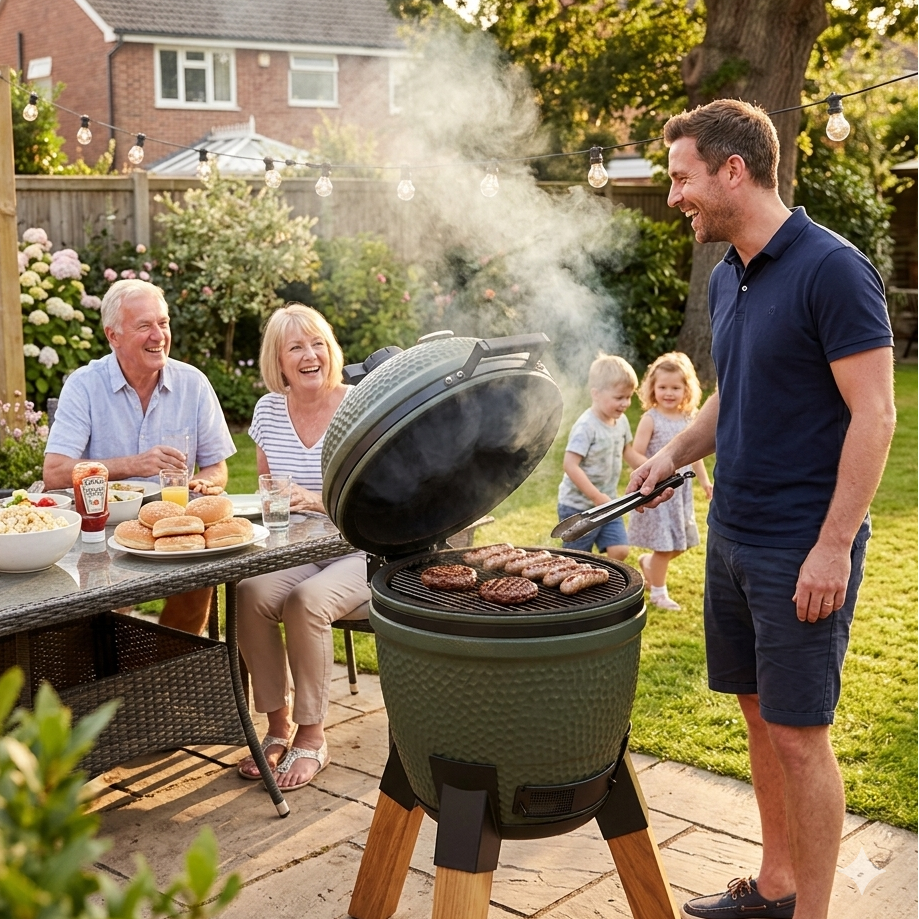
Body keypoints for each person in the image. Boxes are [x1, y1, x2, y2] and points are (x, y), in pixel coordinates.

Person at [627, 99, 895, 919]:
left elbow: (874, 414)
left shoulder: (832, 269)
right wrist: (671, 454)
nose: (675, 196)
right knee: (757, 715)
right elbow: (734, 396)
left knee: (799, 736)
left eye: (681, 177)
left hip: (799, 544)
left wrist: (832, 546)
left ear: (731, 170)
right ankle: (775, 888)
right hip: (733, 534)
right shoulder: (728, 275)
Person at [43, 279, 236, 635]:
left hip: (173, 521)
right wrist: (134, 464)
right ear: (113, 335)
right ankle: (119, 673)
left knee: (200, 582)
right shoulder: (84, 385)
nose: (158, 335)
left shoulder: (192, 383)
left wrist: (205, 482)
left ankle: (171, 664)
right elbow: (55, 472)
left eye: (162, 323)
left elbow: (217, 467)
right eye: (144, 325)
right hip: (104, 530)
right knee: (105, 607)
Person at [235, 304, 370, 790]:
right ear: (279, 360)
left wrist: (315, 500)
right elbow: (267, 489)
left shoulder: (359, 404)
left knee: (305, 602)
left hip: (362, 551)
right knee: (249, 593)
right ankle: (277, 725)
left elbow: (380, 501)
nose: (309, 354)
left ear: (330, 350)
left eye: (317, 343)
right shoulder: (268, 410)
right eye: (295, 347)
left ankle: (312, 737)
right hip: (300, 551)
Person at [629, 352, 713, 610]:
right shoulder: (650, 418)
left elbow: (696, 457)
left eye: (675, 387)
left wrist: (705, 482)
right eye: (662, 387)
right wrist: (650, 474)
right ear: (652, 388)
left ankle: (648, 563)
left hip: (681, 496)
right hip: (658, 493)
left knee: (681, 543)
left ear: (687, 389)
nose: (668, 392)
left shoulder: (690, 419)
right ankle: (658, 593)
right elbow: (635, 452)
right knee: (665, 548)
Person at [557, 353, 646, 561]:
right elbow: (570, 465)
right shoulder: (586, 426)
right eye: (619, 397)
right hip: (578, 507)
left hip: (608, 503)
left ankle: (602, 585)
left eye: (629, 397)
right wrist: (596, 496)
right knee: (576, 558)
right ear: (596, 394)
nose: (625, 403)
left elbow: (628, 452)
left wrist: (653, 466)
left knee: (620, 550)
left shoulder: (621, 421)